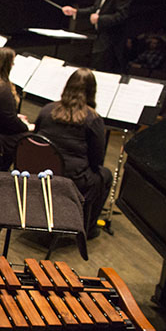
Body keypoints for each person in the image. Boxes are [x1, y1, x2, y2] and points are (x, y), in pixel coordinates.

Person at [34, 68, 112, 237]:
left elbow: (36, 140)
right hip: (72, 178)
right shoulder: (92, 119)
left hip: (40, 172)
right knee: (104, 175)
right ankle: (87, 227)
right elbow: (97, 159)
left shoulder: (47, 109)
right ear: (92, 91)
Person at [61, 0, 133, 73]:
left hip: (112, 43)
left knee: (103, 72)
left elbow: (122, 16)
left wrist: (99, 19)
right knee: (95, 68)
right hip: (101, 39)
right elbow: (96, 8)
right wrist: (75, 12)